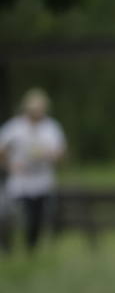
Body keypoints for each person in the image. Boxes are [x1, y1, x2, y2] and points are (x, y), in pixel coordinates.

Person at [0, 89, 67, 252]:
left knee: (36, 218)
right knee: (15, 215)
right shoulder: (14, 127)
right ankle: (8, 246)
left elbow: (61, 152)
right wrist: (10, 166)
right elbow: (2, 150)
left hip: (42, 180)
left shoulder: (51, 127)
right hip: (20, 181)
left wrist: (49, 154)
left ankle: (31, 249)